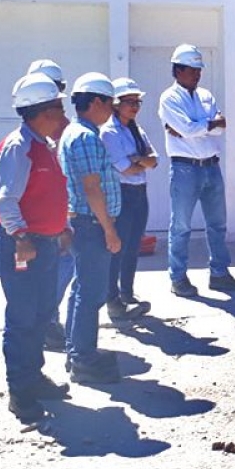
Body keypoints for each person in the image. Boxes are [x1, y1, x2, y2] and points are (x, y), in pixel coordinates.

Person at [0, 72, 72, 423]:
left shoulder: (45, 144)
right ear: (41, 111)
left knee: (40, 313)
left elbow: (51, 193)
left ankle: (34, 377)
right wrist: (21, 238)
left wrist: (62, 227)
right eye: (58, 107)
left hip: (45, 244)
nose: (62, 115)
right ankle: (20, 392)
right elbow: (5, 199)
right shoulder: (18, 146)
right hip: (22, 246)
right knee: (23, 318)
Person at [158, 43, 235, 297]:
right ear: (178, 71)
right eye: (192, 70)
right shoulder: (169, 98)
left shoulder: (206, 95)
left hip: (210, 166)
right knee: (181, 226)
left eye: (198, 70)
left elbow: (220, 126)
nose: (197, 74)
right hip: (185, 168)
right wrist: (202, 126)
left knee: (217, 224)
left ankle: (219, 273)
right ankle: (178, 277)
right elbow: (187, 129)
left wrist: (196, 128)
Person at [59, 72, 123, 384]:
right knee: (91, 292)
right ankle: (83, 358)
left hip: (86, 223)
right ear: (96, 102)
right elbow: (92, 187)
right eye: (110, 103)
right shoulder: (84, 137)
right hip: (91, 225)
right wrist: (109, 230)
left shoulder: (78, 133)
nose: (113, 110)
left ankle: (76, 352)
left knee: (82, 289)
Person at [25, 59, 73, 352]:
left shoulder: (53, 125)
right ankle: (44, 323)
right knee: (60, 264)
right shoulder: (33, 131)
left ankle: (45, 321)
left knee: (61, 264)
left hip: (54, 210)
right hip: (43, 215)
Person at [99, 77, 156, 319]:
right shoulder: (109, 132)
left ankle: (127, 294)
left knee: (133, 247)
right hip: (122, 193)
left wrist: (137, 159)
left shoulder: (137, 130)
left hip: (139, 193)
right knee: (117, 248)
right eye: (129, 102)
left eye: (137, 102)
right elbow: (125, 168)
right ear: (115, 104)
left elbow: (153, 160)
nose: (134, 106)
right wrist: (137, 161)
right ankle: (112, 300)